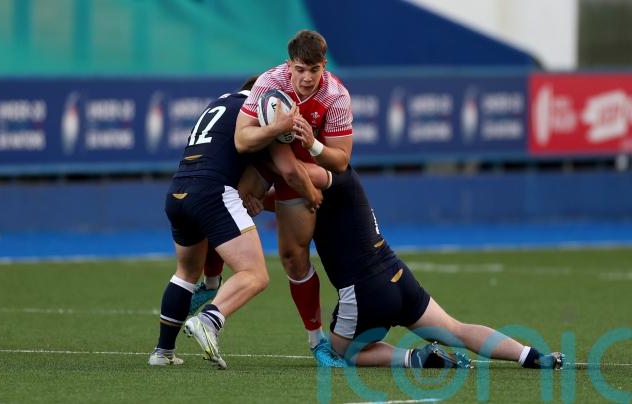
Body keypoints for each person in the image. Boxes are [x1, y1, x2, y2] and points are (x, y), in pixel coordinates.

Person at [243, 164, 565, 369]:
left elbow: (295, 182)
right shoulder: (343, 178)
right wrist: (262, 200)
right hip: (397, 274)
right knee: (455, 329)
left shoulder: (324, 177)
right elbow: (294, 196)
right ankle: (529, 355)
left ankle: (414, 358)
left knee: (345, 351)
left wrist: (263, 168)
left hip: (366, 288)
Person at [148, 77, 290, 369]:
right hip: (211, 192)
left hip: (178, 190)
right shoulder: (255, 109)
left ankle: (162, 353)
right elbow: (271, 167)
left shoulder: (219, 103)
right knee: (255, 274)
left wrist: (250, 195)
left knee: (185, 274)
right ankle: (208, 319)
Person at [234, 29, 353, 367]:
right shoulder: (269, 83)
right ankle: (209, 282)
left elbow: (341, 161)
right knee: (230, 201)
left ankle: (317, 341)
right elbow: (242, 140)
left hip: (304, 169)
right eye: (300, 69)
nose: (306, 78)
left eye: (314, 70)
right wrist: (277, 128)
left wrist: (311, 143)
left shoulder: (336, 95)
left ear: (323, 66)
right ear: (289, 66)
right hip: (266, 160)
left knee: (293, 256)